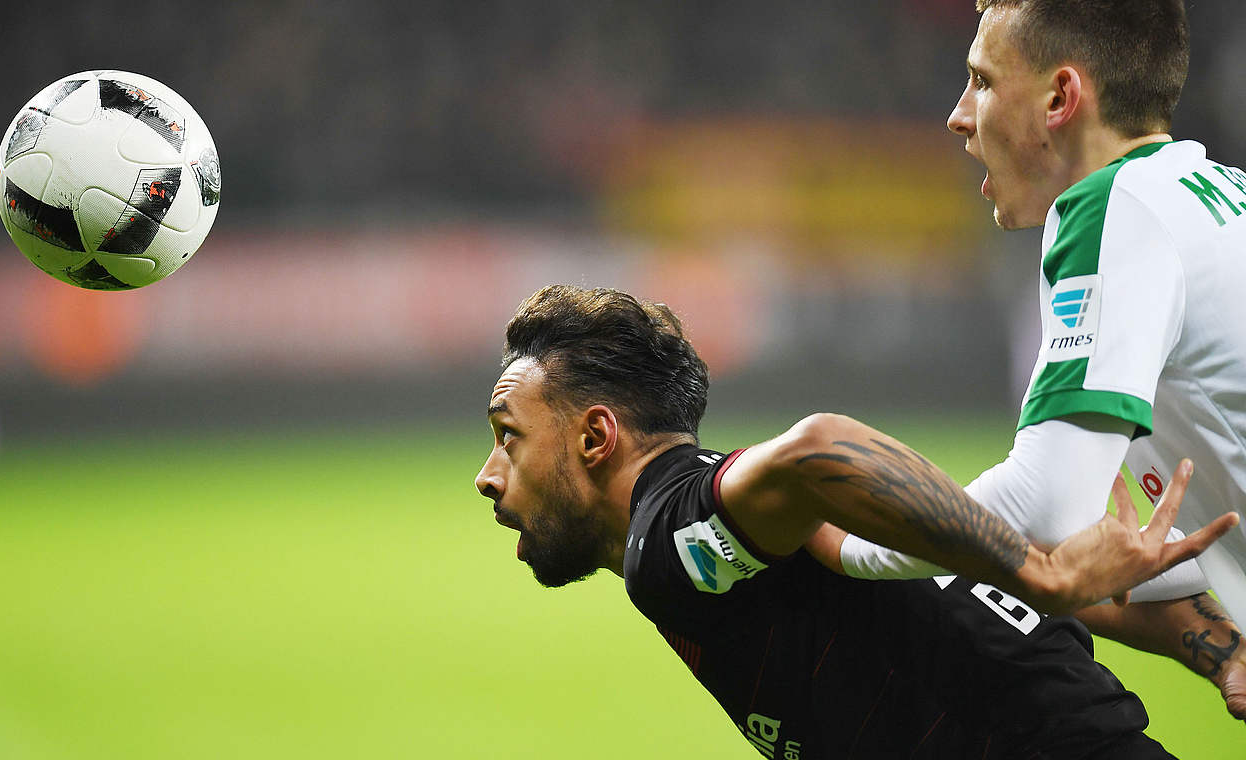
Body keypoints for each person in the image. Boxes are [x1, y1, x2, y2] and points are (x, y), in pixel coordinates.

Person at [474, 285, 1241, 758]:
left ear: (595, 436)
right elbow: (994, 573)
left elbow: (818, 446)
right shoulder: (776, 525)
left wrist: (1042, 572)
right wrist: (1221, 652)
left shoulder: (669, 540)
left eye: (508, 435)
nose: (487, 474)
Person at [822, 0, 1246, 680]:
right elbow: (1099, 556)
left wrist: (846, 544)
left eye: (983, 81)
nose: (959, 114)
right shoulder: (1219, 195)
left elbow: (1044, 506)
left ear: (1061, 97)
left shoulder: (1113, 207)